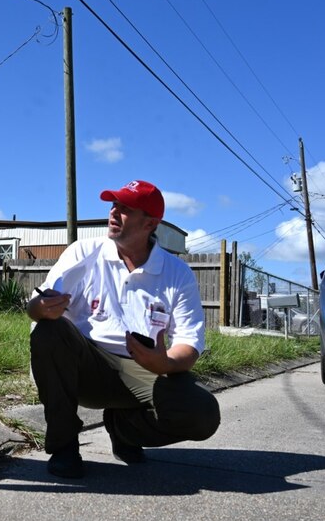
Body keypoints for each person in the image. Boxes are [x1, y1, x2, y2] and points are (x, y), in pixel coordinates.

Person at [26, 180, 220, 478]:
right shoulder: (83, 252)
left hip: (143, 369)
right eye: (113, 205)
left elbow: (189, 342)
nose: (114, 212)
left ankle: (125, 429)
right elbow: (38, 305)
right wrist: (39, 308)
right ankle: (63, 445)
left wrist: (165, 362)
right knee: (48, 331)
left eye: (126, 209)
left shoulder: (176, 272)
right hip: (86, 366)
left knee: (202, 414)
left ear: (150, 223)